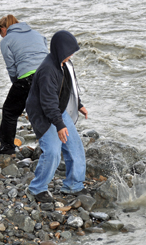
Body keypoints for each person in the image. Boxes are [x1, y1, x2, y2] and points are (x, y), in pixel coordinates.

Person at [25, 30, 88, 203]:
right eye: (69, 51)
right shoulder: (47, 70)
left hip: (57, 109)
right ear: (60, 50)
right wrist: (60, 125)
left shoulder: (64, 64)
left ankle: (73, 185)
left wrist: (79, 105)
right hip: (42, 112)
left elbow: (69, 87)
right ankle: (36, 189)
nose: (72, 54)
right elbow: (47, 102)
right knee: (52, 152)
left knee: (75, 147)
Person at [0, 14, 48, 155]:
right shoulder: (38, 34)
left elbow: (11, 67)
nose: (1, 36)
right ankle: (50, 147)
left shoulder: (6, 40)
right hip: (48, 75)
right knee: (45, 111)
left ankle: (7, 147)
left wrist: (17, 84)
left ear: (4, 29)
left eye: (0, 33)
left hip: (28, 78)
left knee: (10, 111)